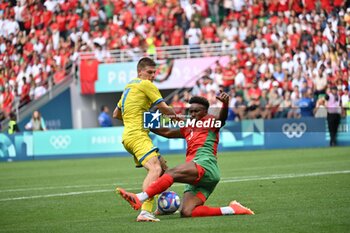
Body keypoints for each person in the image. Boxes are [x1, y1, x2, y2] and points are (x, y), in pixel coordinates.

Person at [117, 93, 254, 218]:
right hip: (199, 177)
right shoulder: (187, 127)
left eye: (196, 111)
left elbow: (222, 118)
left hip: (205, 164)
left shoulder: (211, 122)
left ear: (205, 112)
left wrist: (225, 104)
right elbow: (167, 133)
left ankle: (139, 198)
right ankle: (232, 209)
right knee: (187, 212)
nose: (193, 114)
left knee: (171, 172)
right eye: (191, 111)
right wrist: (145, 122)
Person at [112, 57, 181, 222]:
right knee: (155, 169)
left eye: (154, 73)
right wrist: (178, 120)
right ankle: (145, 211)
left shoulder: (129, 87)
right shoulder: (146, 85)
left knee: (164, 170)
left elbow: (116, 114)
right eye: (149, 72)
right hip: (137, 136)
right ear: (140, 72)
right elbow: (164, 107)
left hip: (129, 136)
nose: (152, 76)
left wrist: (135, 120)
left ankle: (161, 207)